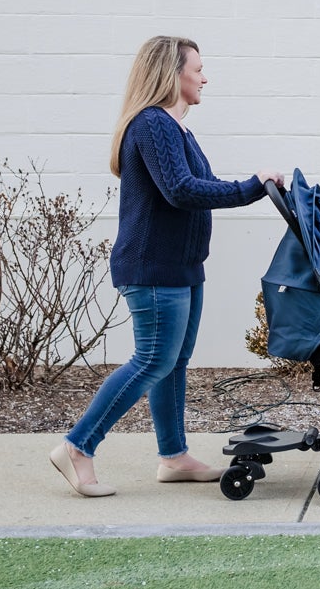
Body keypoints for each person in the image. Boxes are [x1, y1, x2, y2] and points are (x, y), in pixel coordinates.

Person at [49, 35, 285, 497]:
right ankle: (77, 447)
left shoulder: (177, 130)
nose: (204, 77)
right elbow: (181, 190)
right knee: (153, 359)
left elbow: (205, 185)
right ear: (172, 73)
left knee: (173, 362)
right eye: (198, 68)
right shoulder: (153, 124)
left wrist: (255, 187)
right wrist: (250, 185)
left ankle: (174, 457)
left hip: (182, 266)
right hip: (153, 267)